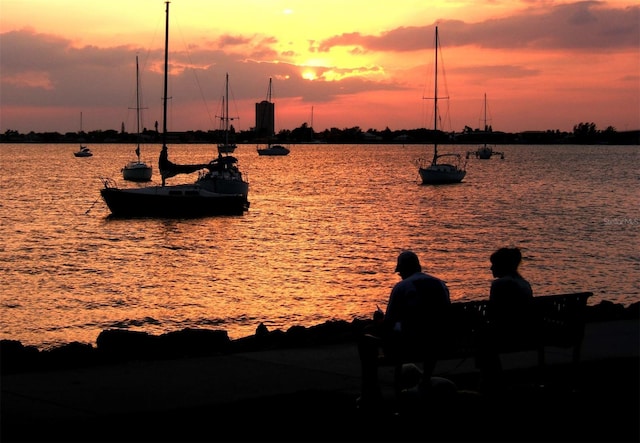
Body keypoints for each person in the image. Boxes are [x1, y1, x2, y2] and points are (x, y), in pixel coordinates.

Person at [357, 250, 451, 407]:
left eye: (400, 271)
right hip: (441, 343)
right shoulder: (440, 284)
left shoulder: (402, 287)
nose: (399, 275)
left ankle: (370, 392)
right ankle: (425, 380)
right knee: (429, 331)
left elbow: (389, 323)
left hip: (409, 346)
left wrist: (378, 320)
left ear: (403, 270)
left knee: (365, 339)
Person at [476, 247, 534, 390]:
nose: (490, 268)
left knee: (483, 337)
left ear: (502, 265)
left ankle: (490, 380)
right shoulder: (524, 283)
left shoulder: (500, 284)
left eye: (493, 264)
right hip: (525, 331)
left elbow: (493, 314)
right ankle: (492, 378)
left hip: (508, 333)